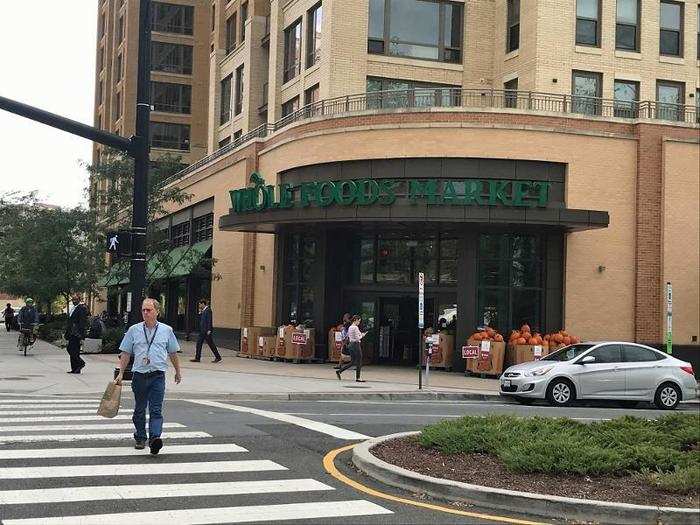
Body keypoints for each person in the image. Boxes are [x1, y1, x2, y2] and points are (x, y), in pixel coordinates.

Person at [114, 298, 181, 455]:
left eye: (149, 310)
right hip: (139, 376)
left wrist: (178, 371)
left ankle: (155, 439)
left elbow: (173, 352)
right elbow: (125, 353)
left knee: (156, 409)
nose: (145, 313)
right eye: (143, 310)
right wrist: (121, 373)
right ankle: (140, 437)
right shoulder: (133, 330)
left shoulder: (167, 330)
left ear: (157, 311)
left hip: (157, 375)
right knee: (139, 409)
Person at [336, 315, 368, 382]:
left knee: (352, 361)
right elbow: (357, 338)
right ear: (355, 320)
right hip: (356, 345)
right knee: (359, 361)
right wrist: (362, 335)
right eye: (359, 321)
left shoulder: (350, 327)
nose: (359, 322)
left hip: (351, 345)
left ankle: (339, 371)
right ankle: (358, 378)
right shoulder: (355, 327)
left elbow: (353, 335)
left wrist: (361, 334)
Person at [190, 298, 222, 363]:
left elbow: (209, 320)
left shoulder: (208, 310)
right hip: (202, 331)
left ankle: (218, 357)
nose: (199, 306)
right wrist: (200, 313)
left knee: (211, 344)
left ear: (203, 304)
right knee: (199, 344)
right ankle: (197, 358)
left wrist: (209, 329)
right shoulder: (203, 311)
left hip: (206, 331)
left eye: (200, 304)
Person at [65, 294, 89, 373]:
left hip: (76, 333)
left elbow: (82, 322)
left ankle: (80, 363)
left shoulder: (81, 308)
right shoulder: (73, 308)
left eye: (75, 299)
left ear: (79, 300)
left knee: (72, 349)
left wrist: (81, 334)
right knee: (73, 349)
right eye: (73, 299)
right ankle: (75, 368)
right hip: (71, 332)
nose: (74, 301)